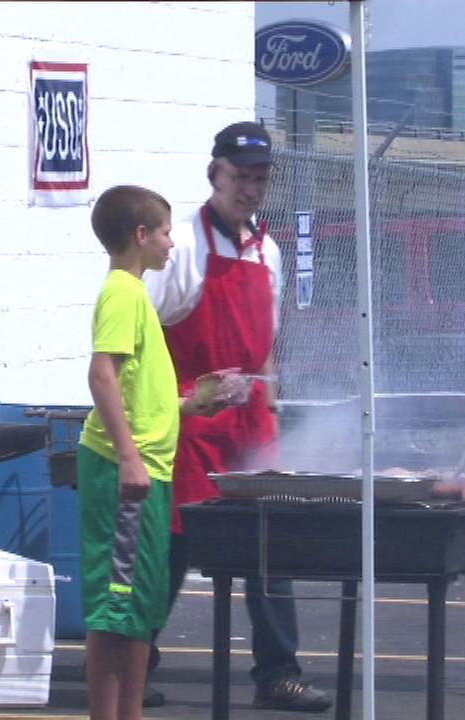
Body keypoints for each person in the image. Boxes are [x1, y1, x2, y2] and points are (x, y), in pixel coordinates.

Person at [143, 121, 333, 712]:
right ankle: (134, 659)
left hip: (251, 424)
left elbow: (265, 340)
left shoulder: (268, 250)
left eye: (258, 179)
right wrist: (181, 397)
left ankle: (280, 675)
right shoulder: (185, 249)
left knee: (269, 552)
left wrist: (269, 399)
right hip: (192, 422)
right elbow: (143, 332)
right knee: (171, 549)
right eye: (238, 178)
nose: (249, 190)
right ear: (214, 175)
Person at [77, 185, 222, 720]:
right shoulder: (121, 293)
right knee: (114, 605)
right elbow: (102, 374)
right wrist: (130, 459)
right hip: (125, 470)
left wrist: (189, 405)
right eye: (164, 233)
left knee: (141, 604)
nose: (170, 244)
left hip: (151, 471)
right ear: (140, 236)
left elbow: (137, 391)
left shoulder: (137, 297)